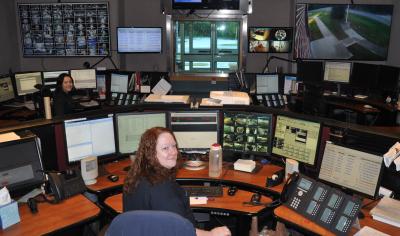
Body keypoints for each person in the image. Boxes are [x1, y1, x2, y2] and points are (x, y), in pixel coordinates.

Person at [123, 127, 231, 236]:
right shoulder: (162, 189)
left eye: (174, 146)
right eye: (165, 148)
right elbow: (180, 231)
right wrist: (211, 234)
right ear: (150, 153)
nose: (173, 152)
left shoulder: (134, 176)